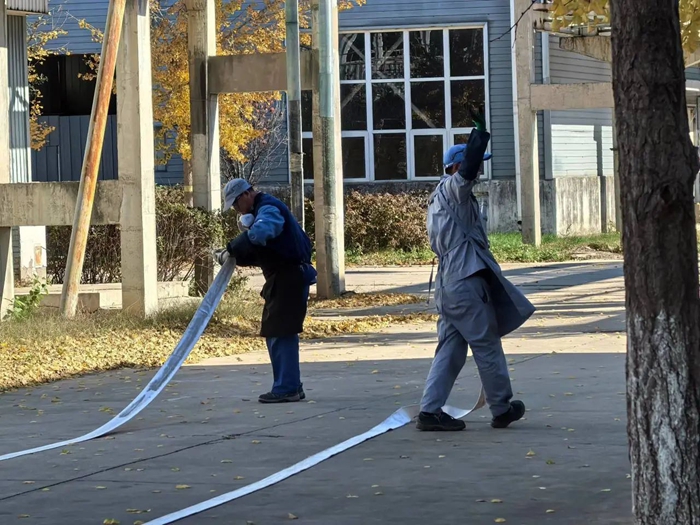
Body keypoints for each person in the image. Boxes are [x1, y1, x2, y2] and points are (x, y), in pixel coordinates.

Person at [416, 113, 536, 431]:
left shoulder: (439, 197)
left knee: (451, 348)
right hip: (464, 282)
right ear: (455, 168)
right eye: (476, 164)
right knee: (486, 343)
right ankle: (501, 407)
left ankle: (429, 412)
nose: (480, 170)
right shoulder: (454, 190)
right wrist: (478, 137)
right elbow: (468, 169)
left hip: (449, 285)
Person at [215, 179, 317, 404]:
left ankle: (287, 388)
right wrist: (234, 255)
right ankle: (290, 386)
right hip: (286, 277)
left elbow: (262, 233)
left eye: (235, 204)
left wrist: (233, 247)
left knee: (281, 332)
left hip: (288, 277)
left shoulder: (268, 208)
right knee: (277, 331)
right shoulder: (263, 208)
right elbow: (263, 250)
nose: (236, 210)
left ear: (245, 195)